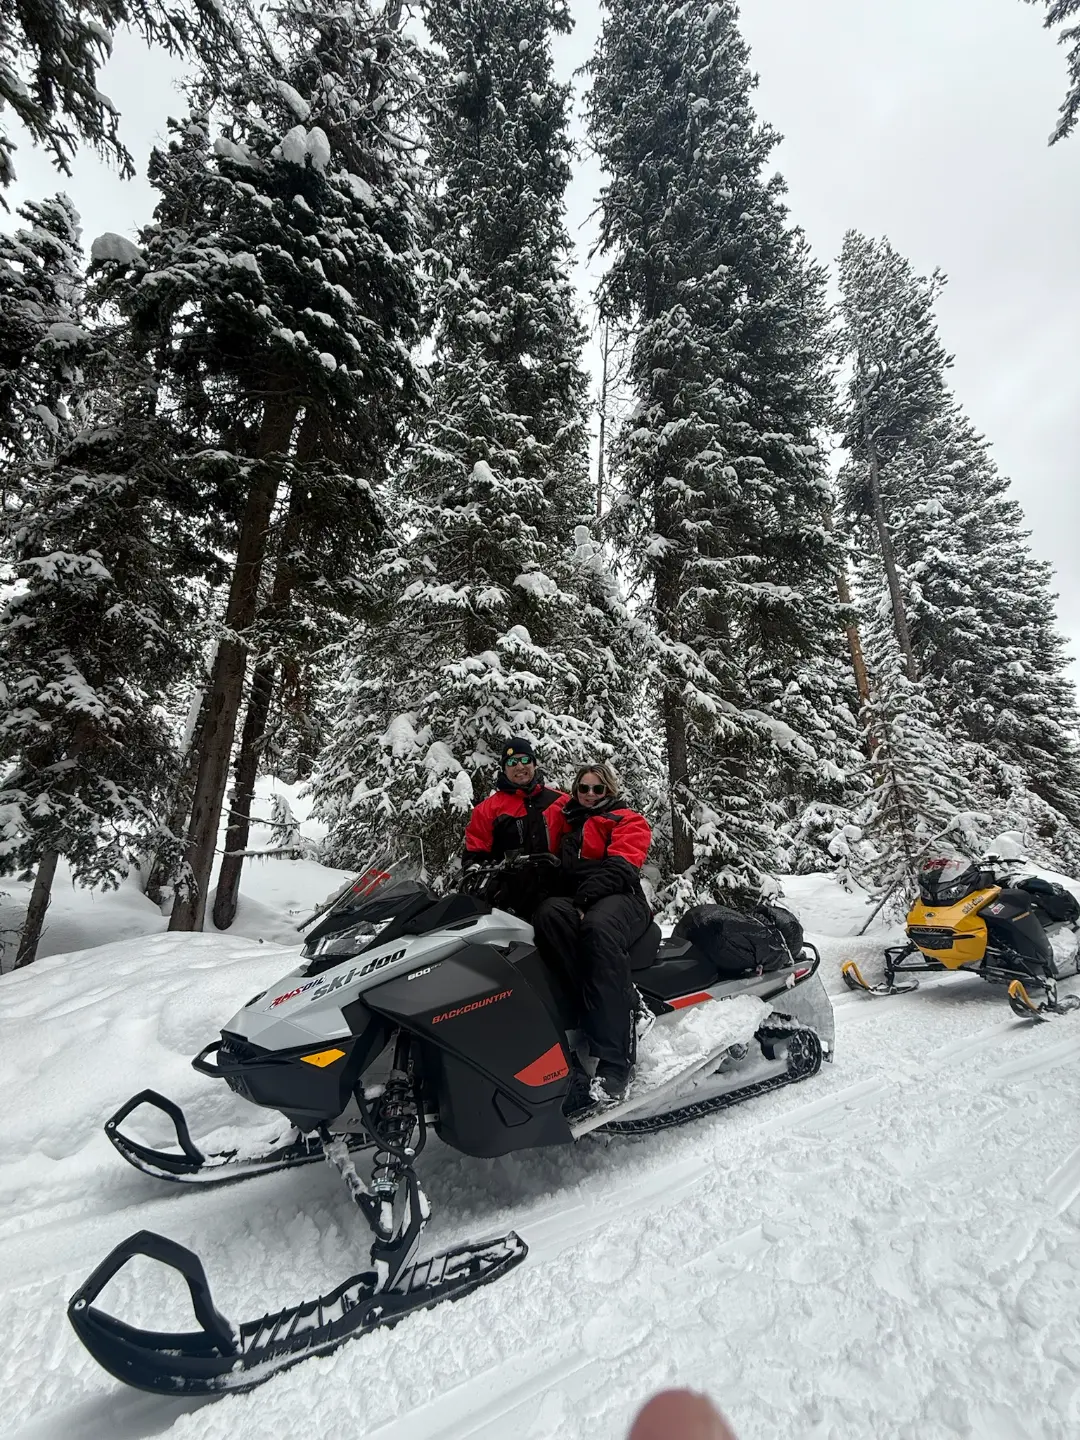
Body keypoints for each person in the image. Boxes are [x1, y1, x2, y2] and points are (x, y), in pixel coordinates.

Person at [532, 761, 653, 1105]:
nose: (589, 794)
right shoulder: (569, 824)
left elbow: (622, 866)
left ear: (608, 790)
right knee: (547, 915)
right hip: (582, 899)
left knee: (597, 929)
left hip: (622, 897)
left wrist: (584, 899)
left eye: (597, 788)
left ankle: (617, 1058)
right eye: (583, 788)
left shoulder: (626, 819)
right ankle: (586, 1013)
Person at [462, 736, 568, 917]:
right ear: (504, 769)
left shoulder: (560, 801)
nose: (520, 766)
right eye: (512, 762)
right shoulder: (487, 810)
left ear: (534, 764)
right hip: (508, 904)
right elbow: (474, 856)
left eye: (525, 760)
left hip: (558, 897)